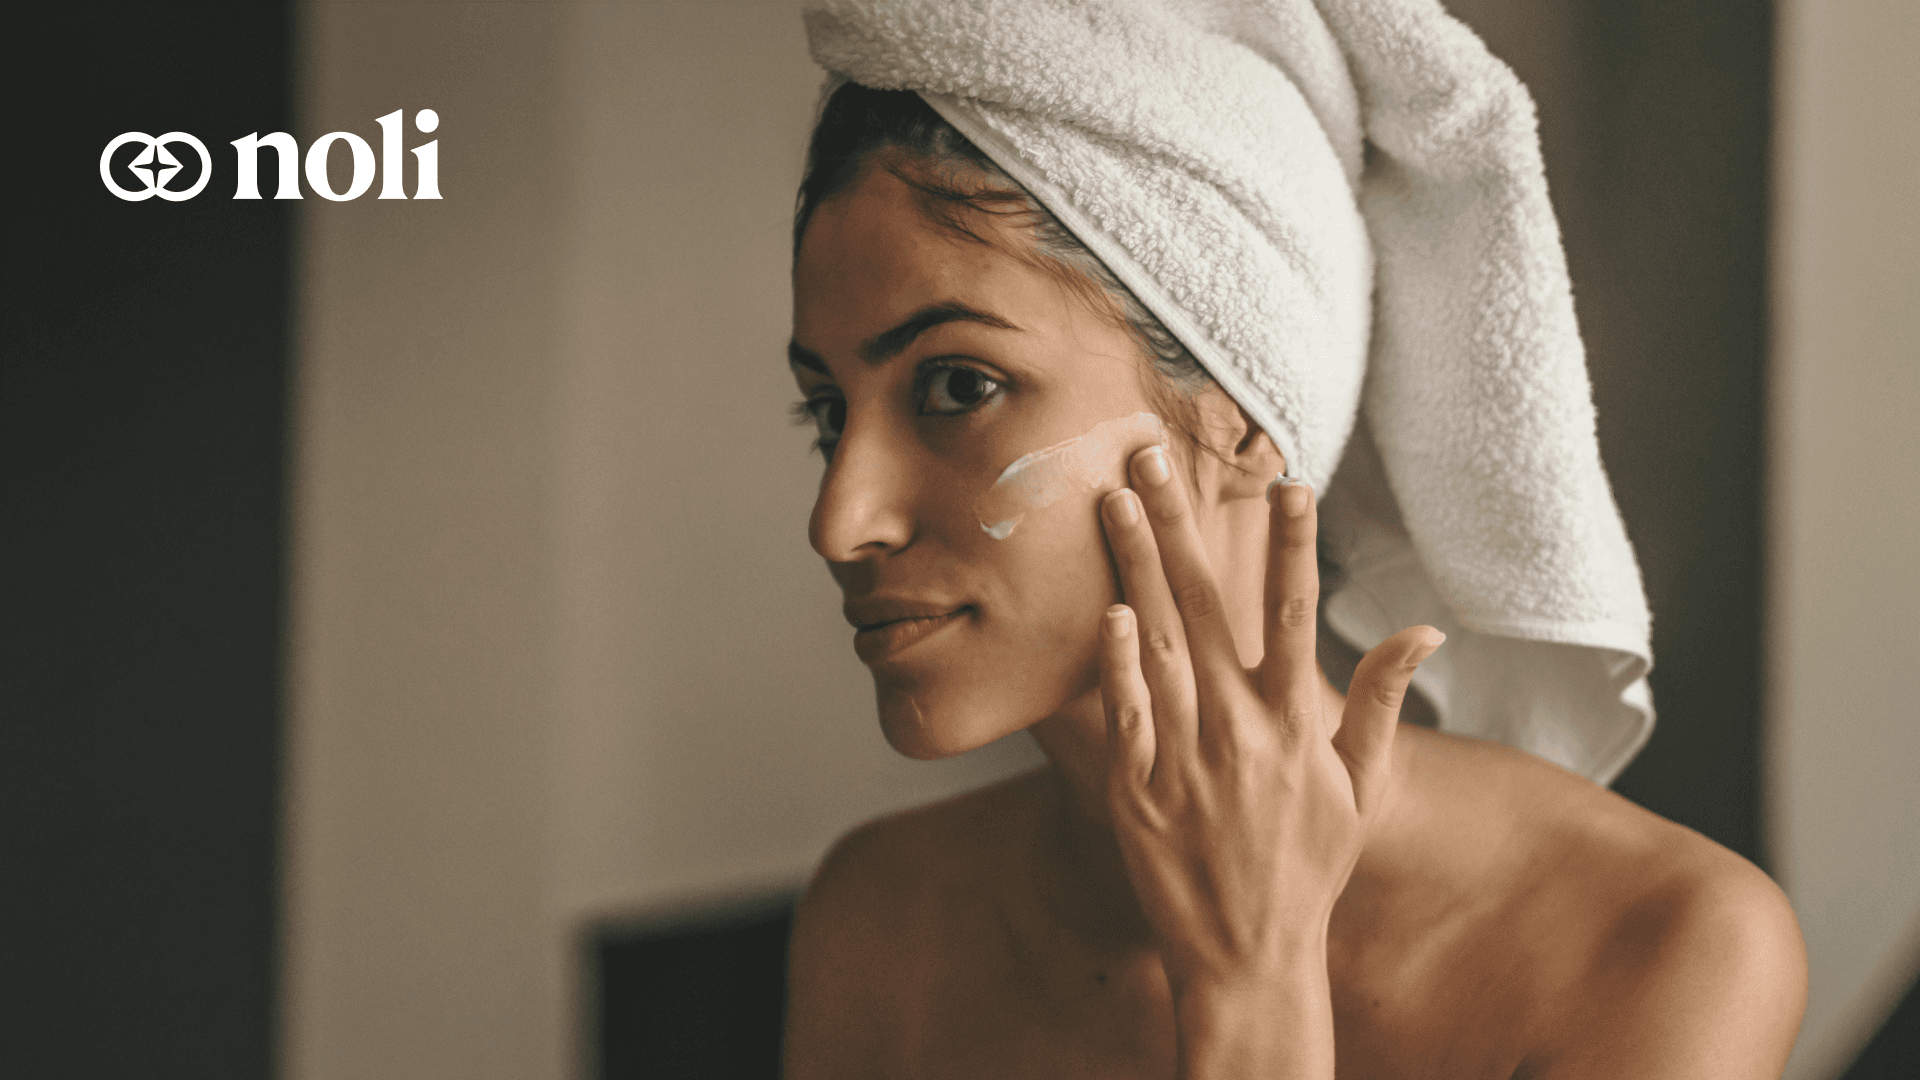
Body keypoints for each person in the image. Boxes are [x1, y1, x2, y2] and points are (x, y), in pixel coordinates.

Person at [780, 5, 1807, 1077]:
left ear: (1244, 415)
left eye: (958, 387)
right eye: (828, 413)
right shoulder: (884, 924)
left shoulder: (1661, 948)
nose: (840, 521)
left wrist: (1252, 981)